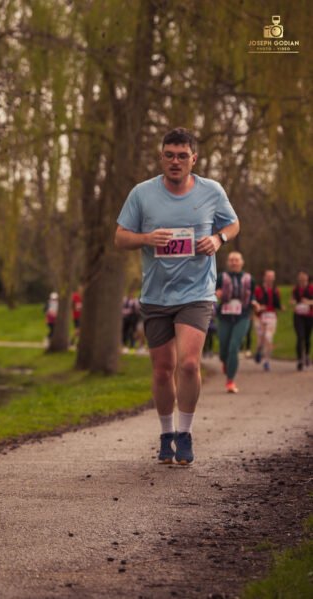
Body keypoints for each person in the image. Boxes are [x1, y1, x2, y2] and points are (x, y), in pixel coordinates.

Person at [115, 127, 239, 467]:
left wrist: (218, 240)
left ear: (193, 159)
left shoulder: (212, 191)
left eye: (182, 155)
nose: (175, 161)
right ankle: (166, 433)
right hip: (156, 294)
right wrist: (146, 239)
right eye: (169, 154)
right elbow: (120, 238)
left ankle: (185, 433)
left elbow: (233, 224)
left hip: (197, 293)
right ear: (161, 157)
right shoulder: (142, 194)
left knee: (187, 363)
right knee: (162, 369)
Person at [216, 252, 256, 392]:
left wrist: (254, 303)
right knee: (223, 349)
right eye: (231, 260)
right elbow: (212, 290)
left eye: (236, 260)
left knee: (234, 346)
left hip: (242, 316)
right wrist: (216, 293)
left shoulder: (249, 278)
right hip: (224, 316)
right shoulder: (221, 277)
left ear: (242, 262)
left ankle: (230, 381)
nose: (234, 262)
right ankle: (225, 361)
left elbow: (252, 296)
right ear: (228, 262)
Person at [252, 269, 283, 371]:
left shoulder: (276, 290)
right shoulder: (258, 290)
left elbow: (277, 303)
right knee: (261, 340)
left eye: (272, 276)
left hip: (271, 316)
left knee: (268, 338)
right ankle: (258, 351)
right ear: (264, 277)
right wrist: (259, 307)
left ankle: (266, 361)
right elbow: (253, 303)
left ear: (274, 278)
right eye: (268, 276)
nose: (270, 278)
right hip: (259, 317)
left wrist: (281, 307)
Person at [290, 270, 313, 371]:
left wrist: (308, 302)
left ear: (307, 277)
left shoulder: (311, 288)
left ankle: (307, 354)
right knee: (300, 337)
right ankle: (299, 360)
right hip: (298, 316)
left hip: (309, 316)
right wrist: (292, 302)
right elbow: (292, 299)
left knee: (307, 338)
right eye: (300, 276)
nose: (302, 278)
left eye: (304, 276)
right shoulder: (295, 289)